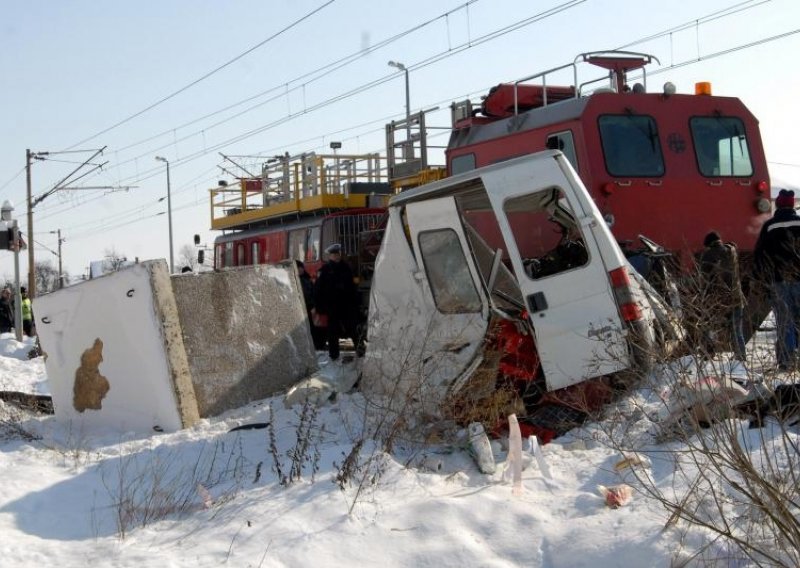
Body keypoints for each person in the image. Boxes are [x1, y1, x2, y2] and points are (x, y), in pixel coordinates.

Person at [754, 189, 800, 370]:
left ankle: (787, 361)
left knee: (785, 320)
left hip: (778, 282)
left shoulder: (769, 226)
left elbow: (760, 256)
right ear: (793, 205)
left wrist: (761, 281)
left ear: (778, 204)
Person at [698, 231, 746, 361]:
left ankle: (708, 354)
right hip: (736, 297)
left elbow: (704, 279)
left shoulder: (707, 255)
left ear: (708, 245)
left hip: (718, 300)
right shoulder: (732, 251)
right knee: (737, 331)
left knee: (711, 328)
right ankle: (741, 357)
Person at [313, 243, 362, 361]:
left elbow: (352, 287)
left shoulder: (346, 268)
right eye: (334, 254)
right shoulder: (325, 270)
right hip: (332, 307)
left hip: (346, 305)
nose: (337, 256)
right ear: (329, 256)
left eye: (338, 254)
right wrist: (320, 307)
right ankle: (334, 355)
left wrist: (355, 303)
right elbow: (318, 290)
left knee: (352, 329)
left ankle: (360, 351)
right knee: (332, 332)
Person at [296, 260, 325, 350]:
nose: (300, 270)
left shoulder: (307, 280)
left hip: (308, 308)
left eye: (301, 268)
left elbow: (312, 293)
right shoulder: (297, 280)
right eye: (298, 268)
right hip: (300, 308)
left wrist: (313, 305)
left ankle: (314, 345)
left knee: (312, 327)